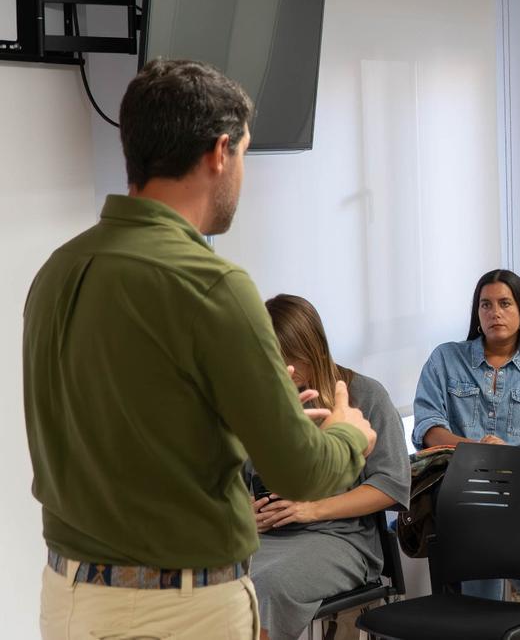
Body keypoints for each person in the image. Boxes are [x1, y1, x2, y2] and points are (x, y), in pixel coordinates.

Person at [24, 59, 375, 639]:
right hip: (175, 611)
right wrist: (346, 434)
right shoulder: (211, 283)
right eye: (245, 156)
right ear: (220, 152)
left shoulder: (58, 271)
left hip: (67, 600)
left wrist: (240, 409)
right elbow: (303, 471)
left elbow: (130, 435)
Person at [251, 295, 410, 640]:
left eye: (288, 360)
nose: (282, 371)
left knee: (264, 585)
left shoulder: (366, 396)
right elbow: (238, 475)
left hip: (340, 537)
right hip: (266, 536)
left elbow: (391, 486)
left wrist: (311, 510)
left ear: (313, 350)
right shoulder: (262, 400)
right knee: (221, 579)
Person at [412, 269, 520, 603]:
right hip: (455, 479)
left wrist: (505, 460)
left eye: (504, 303)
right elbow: (428, 428)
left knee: (493, 498)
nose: (494, 312)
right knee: (479, 495)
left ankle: (483, 618)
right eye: (485, 305)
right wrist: (479, 452)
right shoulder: (445, 358)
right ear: (477, 313)